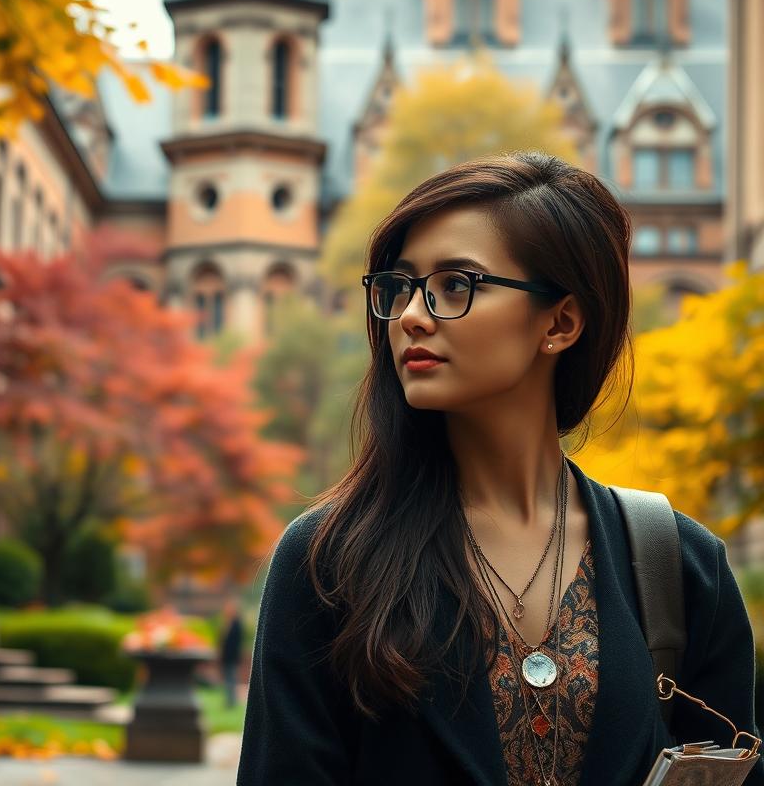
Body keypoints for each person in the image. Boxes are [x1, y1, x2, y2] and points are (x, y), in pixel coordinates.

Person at [237, 152, 762, 786]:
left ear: (560, 322)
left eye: (456, 284)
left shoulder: (677, 565)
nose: (410, 315)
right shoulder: (327, 563)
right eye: (398, 286)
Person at [218, 596, 244, 709]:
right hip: (225, 657)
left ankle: (232, 701)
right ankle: (229, 700)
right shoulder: (226, 623)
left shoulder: (237, 624)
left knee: (231, 678)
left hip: (232, 657)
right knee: (228, 678)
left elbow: (237, 642)